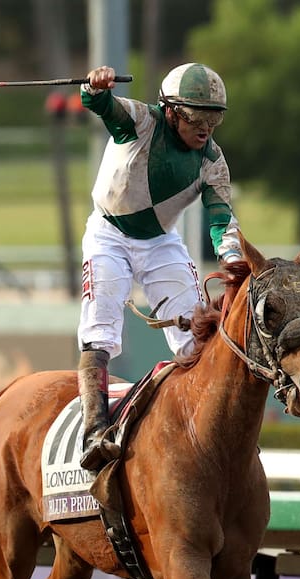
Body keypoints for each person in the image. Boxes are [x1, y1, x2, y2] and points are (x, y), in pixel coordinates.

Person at [76, 63, 247, 470]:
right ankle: (94, 430)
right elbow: (102, 106)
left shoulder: (213, 161)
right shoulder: (141, 120)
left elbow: (221, 219)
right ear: (170, 111)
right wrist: (95, 87)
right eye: (196, 120)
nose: (205, 130)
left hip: (160, 243)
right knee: (100, 331)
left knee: (197, 337)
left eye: (213, 121)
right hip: (108, 234)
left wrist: (233, 261)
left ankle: (209, 433)